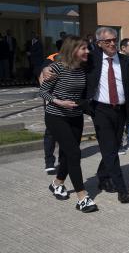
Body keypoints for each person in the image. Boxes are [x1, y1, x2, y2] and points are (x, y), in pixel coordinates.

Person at [44, 27, 129, 204]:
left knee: (113, 147)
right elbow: (64, 58)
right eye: (108, 41)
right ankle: (121, 189)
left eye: (115, 39)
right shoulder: (92, 58)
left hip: (121, 109)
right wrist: (44, 68)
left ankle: (102, 175)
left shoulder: (127, 61)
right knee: (108, 148)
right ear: (99, 43)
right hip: (99, 110)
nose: (113, 43)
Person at [38, 36, 98, 213]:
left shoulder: (83, 67)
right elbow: (42, 91)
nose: (87, 51)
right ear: (73, 50)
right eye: (83, 49)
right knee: (74, 153)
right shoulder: (57, 67)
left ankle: (57, 184)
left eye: (87, 48)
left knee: (68, 154)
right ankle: (82, 197)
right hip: (56, 117)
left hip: (75, 116)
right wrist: (59, 102)